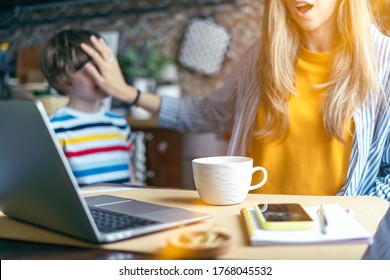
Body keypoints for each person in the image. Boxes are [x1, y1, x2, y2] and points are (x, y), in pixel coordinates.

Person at [80, 0, 390, 200]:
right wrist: (126, 94)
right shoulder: (262, 56)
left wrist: (361, 215)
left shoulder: (385, 61)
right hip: (257, 226)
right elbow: (209, 112)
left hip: (336, 236)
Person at [40, 29, 135, 187]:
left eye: (104, 67)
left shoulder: (120, 124)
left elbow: (131, 180)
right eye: (92, 69)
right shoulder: (54, 129)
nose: (103, 75)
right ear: (63, 80)